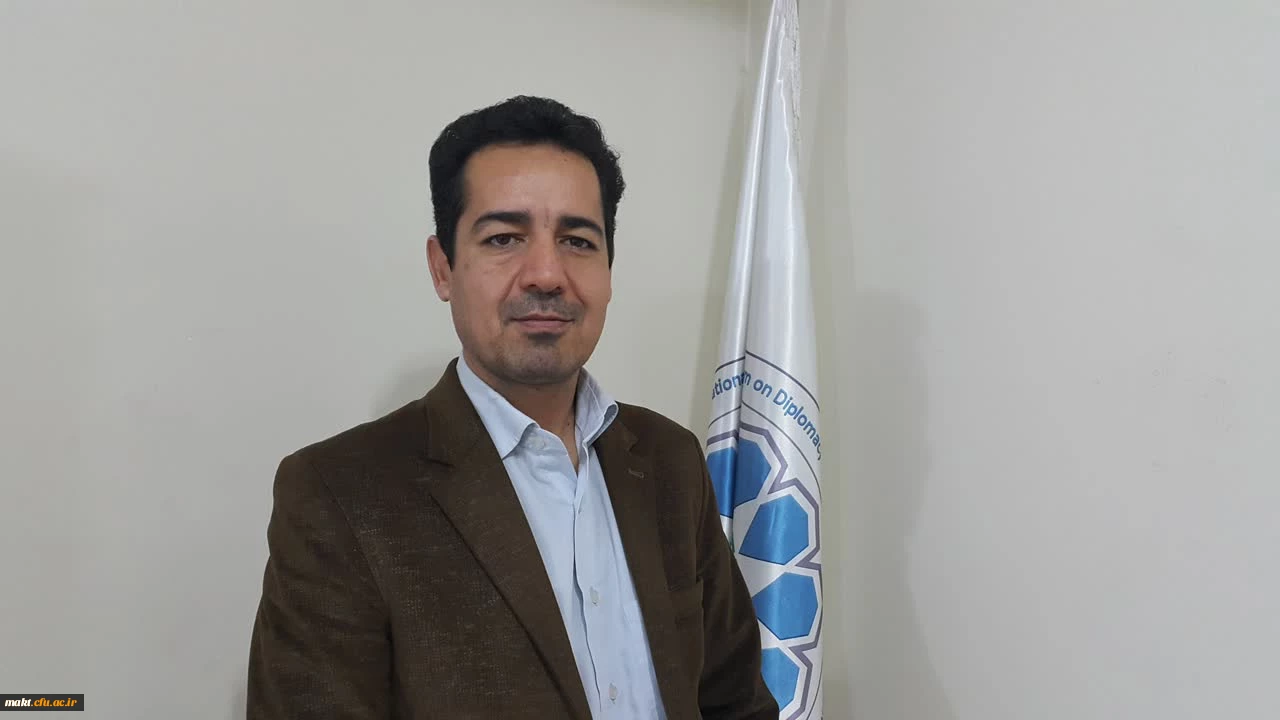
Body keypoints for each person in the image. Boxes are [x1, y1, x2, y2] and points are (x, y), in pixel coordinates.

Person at [247, 96, 777, 719]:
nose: (547, 274)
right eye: (504, 238)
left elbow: (735, 702)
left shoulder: (669, 460)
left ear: (609, 270)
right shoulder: (339, 494)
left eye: (577, 240)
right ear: (442, 268)